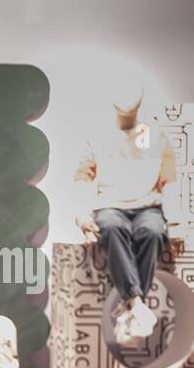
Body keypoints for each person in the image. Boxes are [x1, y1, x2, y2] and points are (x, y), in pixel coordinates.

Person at [74, 86, 177, 343]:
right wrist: (82, 216)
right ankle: (137, 302)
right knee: (109, 227)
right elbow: (84, 178)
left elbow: (170, 182)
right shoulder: (97, 136)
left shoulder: (158, 137)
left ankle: (131, 304)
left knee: (152, 232)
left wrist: (177, 226)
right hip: (110, 205)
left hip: (148, 206)